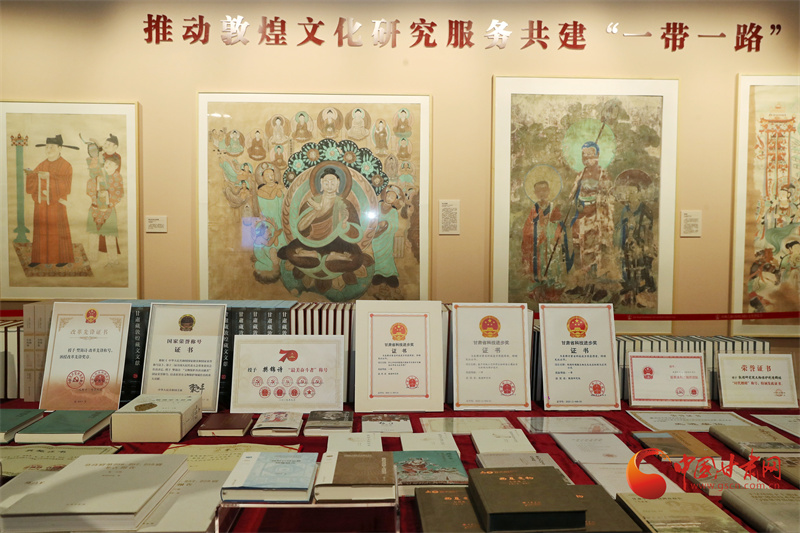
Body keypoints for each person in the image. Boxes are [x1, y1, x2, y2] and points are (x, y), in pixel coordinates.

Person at [278, 166, 366, 278]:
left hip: (338, 243)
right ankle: (325, 256)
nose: (329, 185)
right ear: (321, 183)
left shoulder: (345, 204)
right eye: (326, 182)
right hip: (311, 242)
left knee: (357, 259)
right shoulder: (311, 202)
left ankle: (319, 256)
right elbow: (301, 229)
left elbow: (356, 234)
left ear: (338, 183)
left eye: (333, 182)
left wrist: (344, 224)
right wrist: (316, 211)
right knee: (290, 252)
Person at [25, 134, 79, 267]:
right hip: (41, 204)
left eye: (52, 147)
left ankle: (62, 258)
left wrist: (50, 178)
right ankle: (38, 258)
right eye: (47, 147)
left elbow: (66, 186)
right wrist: (31, 174)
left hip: (56, 203)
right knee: (41, 229)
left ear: (60, 148)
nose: (48, 150)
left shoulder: (66, 165)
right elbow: (34, 179)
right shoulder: (42, 164)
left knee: (57, 230)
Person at [521, 180, 566, 284]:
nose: (542, 193)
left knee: (552, 265)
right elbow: (527, 228)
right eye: (539, 191)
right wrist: (536, 231)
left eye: (544, 190)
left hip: (551, 242)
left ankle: (553, 283)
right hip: (538, 244)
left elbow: (558, 225)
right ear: (535, 193)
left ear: (549, 191)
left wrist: (553, 232)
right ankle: (538, 282)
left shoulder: (553, 208)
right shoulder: (533, 209)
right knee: (538, 265)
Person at [86, 155, 124, 266]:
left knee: (110, 235)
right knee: (93, 234)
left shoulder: (117, 177)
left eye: (110, 164)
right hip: (95, 208)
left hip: (109, 210)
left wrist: (109, 203)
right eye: (106, 163)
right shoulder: (99, 174)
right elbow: (90, 186)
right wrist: (96, 181)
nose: (107, 165)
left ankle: (112, 261)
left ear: (116, 166)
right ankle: (92, 258)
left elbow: (119, 194)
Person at [372, 185, 404, 287]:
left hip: (387, 238)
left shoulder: (393, 212)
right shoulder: (377, 206)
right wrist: (377, 224)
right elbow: (371, 219)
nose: (389, 198)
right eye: (388, 195)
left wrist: (386, 224)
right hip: (376, 237)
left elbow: (395, 226)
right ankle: (378, 274)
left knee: (387, 255)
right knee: (377, 254)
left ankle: (390, 275)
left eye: (392, 197)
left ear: (395, 200)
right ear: (385, 195)